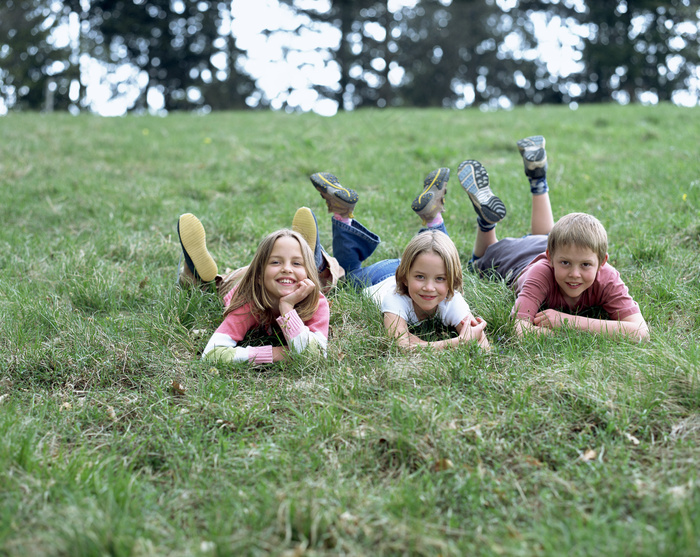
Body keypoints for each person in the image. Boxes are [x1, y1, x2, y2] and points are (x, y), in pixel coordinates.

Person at [463, 135, 649, 341]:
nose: (574, 274)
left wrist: (567, 321)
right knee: (477, 263)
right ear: (550, 258)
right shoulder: (541, 274)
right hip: (518, 258)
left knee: (547, 236)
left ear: (602, 262)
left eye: (586, 265)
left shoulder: (607, 276)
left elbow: (641, 332)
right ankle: (487, 223)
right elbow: (518, 329)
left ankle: (538, 180)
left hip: (548, 242)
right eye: (565, 263)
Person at [307, 169, 490, 351]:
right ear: (404, 277)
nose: (428, 287)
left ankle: (432, 219)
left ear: (453, 282)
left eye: (440, 279)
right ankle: (342, 219)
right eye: (420, 278)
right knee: (350, 275)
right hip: (378, 277)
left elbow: (482, 345)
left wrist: (422, 343)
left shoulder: (452, 299)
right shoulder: (395, 297)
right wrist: (458, 342)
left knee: (437, 253)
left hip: (420, 264)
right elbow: (401, 346)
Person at [176, 212, 331, 363]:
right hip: (241, 281)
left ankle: (312, 256)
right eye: (276, 261)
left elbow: (314, 355)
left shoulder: (316, 301)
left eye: (296, 263)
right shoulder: (247, 302)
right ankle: (199, 276)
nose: (287, 268)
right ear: (258, 276)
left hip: (273, 276)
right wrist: (277, 353)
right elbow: (211, 353)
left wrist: (287, 307)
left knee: (330, 276)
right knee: (219, 284)